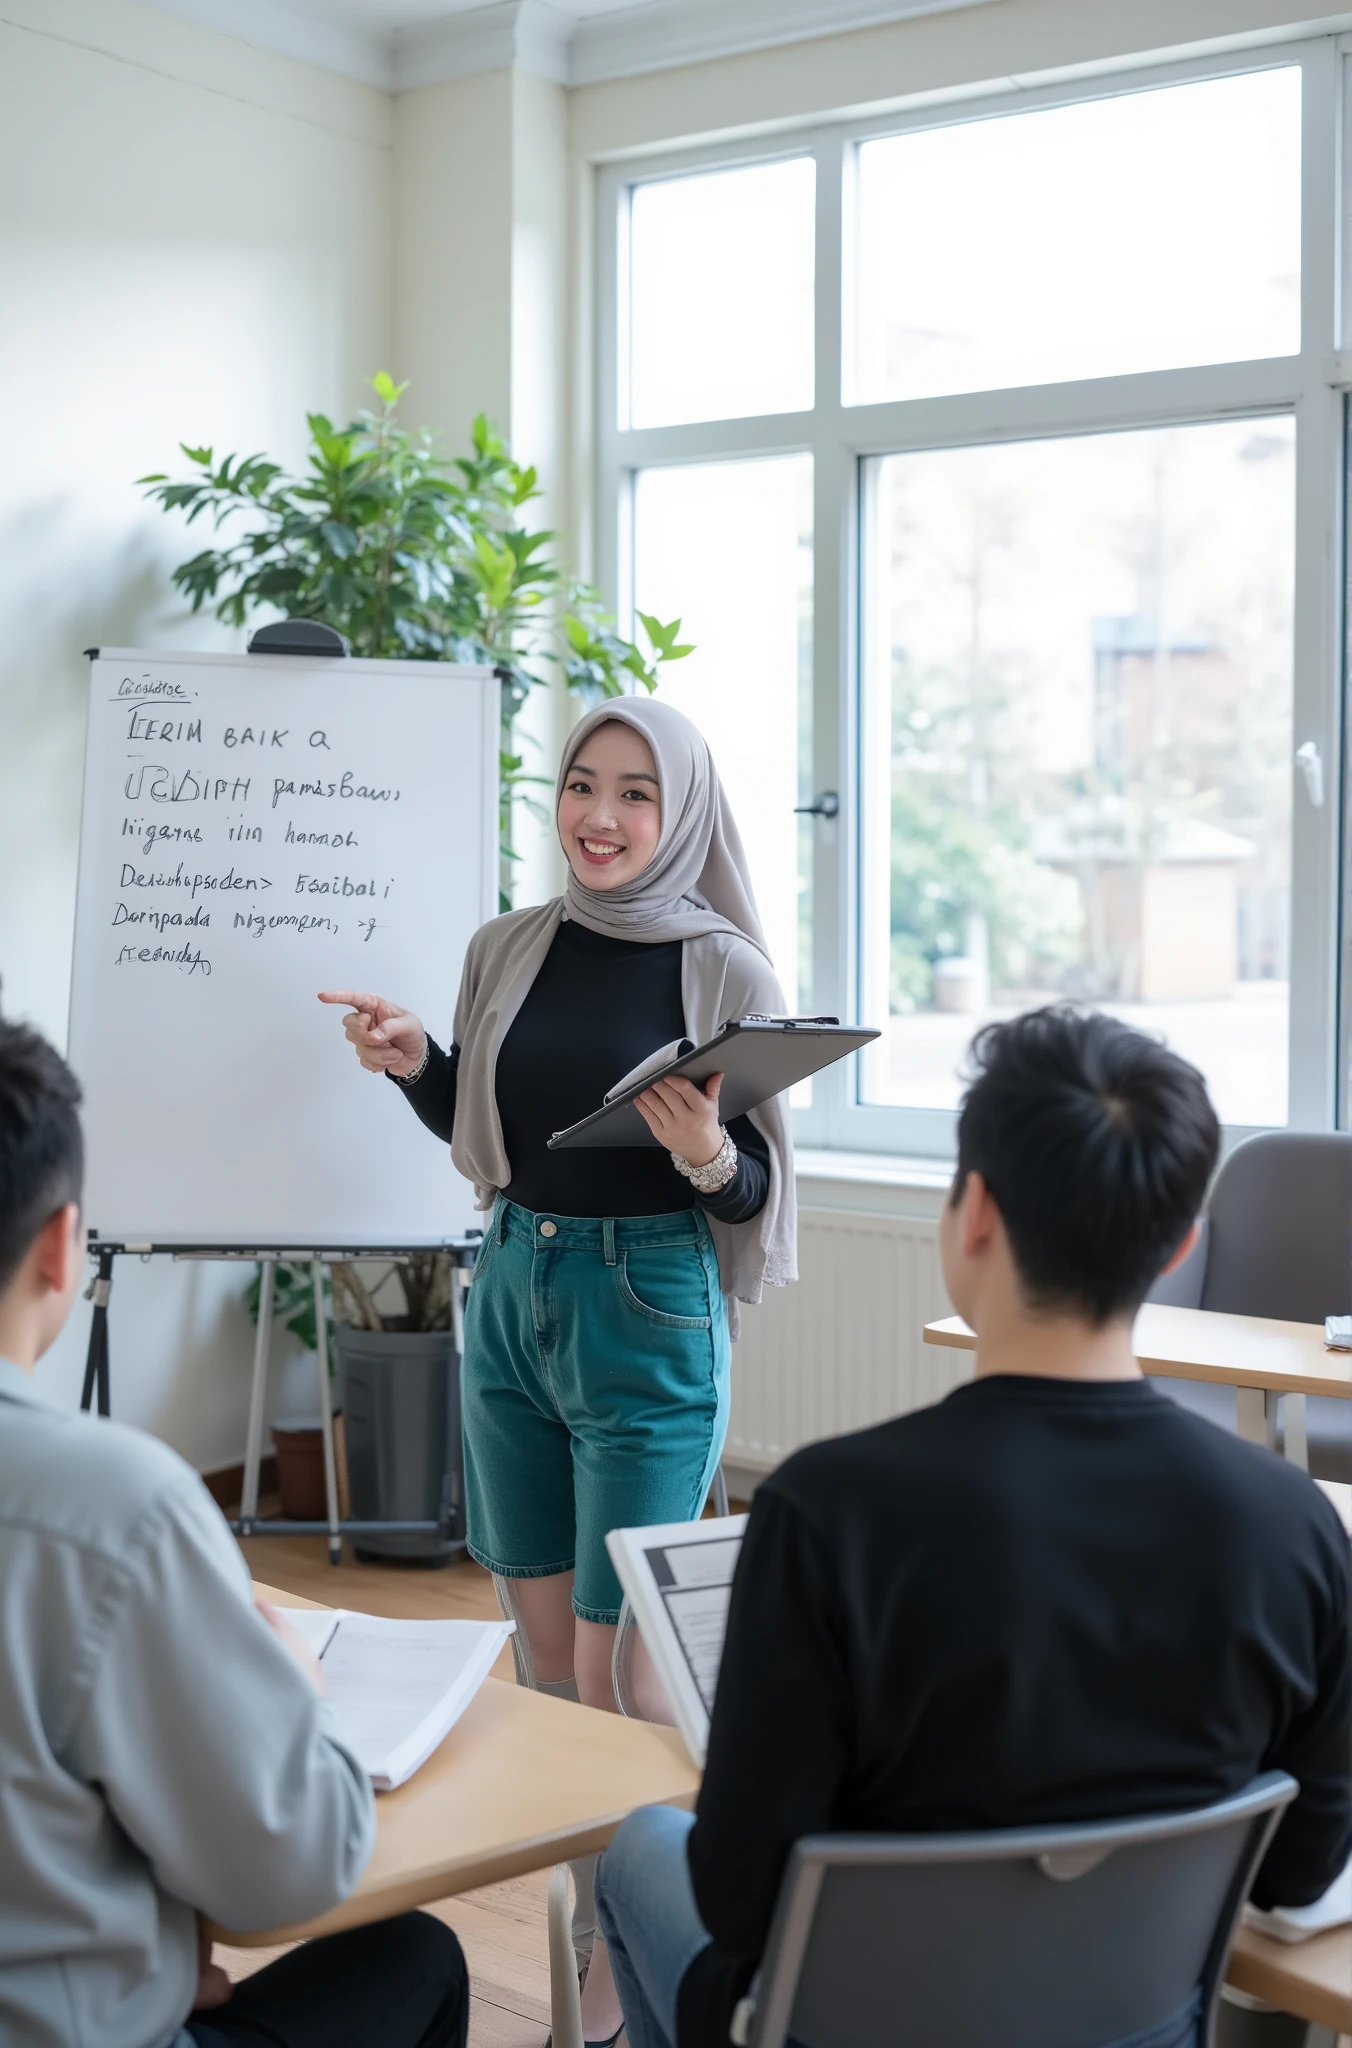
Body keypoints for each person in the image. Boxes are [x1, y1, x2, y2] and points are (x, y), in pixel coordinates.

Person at [594, 1007, 1352, 2048]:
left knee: (644, 1841)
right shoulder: (1295, 1523)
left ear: (974, 1213)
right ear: (1176, 1243)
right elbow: (1304, 1865)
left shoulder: (827, 1509)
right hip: (1134, 2027)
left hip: (850, 2024)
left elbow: (739, 1898)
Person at [320, 695, 796, 2042]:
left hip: (651, 1303)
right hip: (516, 1281)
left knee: (623, 1681)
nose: (599, 815)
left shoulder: (726, 974)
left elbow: (753, 1187)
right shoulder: (508, 946)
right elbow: (496, 1129)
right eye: (582, 785)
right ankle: (599, 1942)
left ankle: (618, 1985)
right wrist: (420, 1064)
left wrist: (703, 1144)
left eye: (635, 793)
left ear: (682, 811)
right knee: (542, 1664)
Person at [0, 1006, 469, 2048]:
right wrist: (295, 1689)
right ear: (58, 1246)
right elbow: (285, 1871)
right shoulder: (114, 1507)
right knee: (414, 1958)